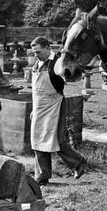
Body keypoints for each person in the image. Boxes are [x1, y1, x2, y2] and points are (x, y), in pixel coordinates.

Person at [30, 37, 86, 186]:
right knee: (37, 141)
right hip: (39, 107)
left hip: (54, 105)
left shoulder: (58, 63)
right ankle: (42, 176)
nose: (36, 55)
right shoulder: (37, 64)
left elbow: (70, 75)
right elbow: (35, 91)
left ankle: (78, 162)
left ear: (48, 47)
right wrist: (33, 110)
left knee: (57, 140)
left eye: (38, 51)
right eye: (34, 52)